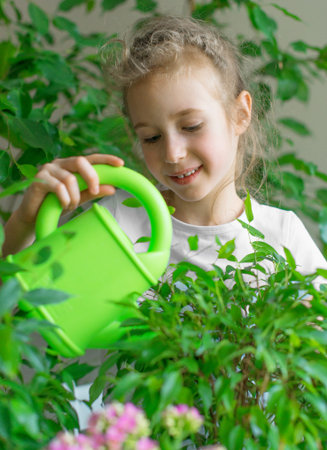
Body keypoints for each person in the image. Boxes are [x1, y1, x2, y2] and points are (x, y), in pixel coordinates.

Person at [2, 15, 327, 286]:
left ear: (240, 113)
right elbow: (23, 307)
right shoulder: (118, 220)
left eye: (191, 126)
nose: (172, 153)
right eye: (152, 137)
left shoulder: (282, 238)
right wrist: (24, 225)